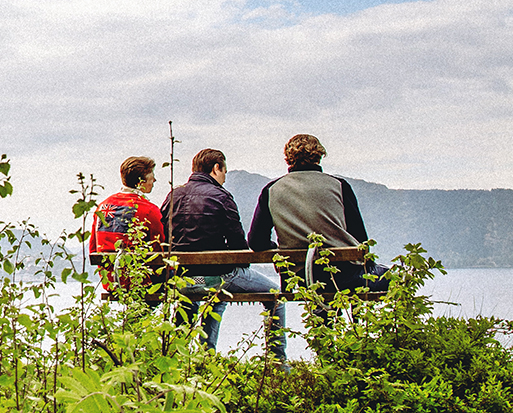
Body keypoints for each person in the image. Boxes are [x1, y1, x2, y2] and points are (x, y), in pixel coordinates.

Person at [161, 148, 286, 358]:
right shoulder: (221, 196)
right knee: (275, 295)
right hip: (217, 277)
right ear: (216, 167)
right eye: (224, 172)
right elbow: (239, 245)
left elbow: (164, 234)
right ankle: (277, 360)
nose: (225, 179)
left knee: (206, 295)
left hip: (184, 279)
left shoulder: (174, 195)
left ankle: (177, 358)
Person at [246, 133, 389, 296]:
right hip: (345, 275)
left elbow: (256, 242)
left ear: (288, 158)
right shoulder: (339, 186)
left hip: (301, 277)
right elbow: (360, 240)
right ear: (319, 156)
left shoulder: (271, 190)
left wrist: (278, 248)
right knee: (395, 279)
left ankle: (325, 321)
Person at [89, 156, 166, 290]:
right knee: (188, 280)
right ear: (141, 182)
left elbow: (93, 247)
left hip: (111, 282)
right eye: (151, 177)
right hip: (141, 281)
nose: (154, 180)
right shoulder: (149, 210)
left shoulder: (102, 207)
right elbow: (160, 247)